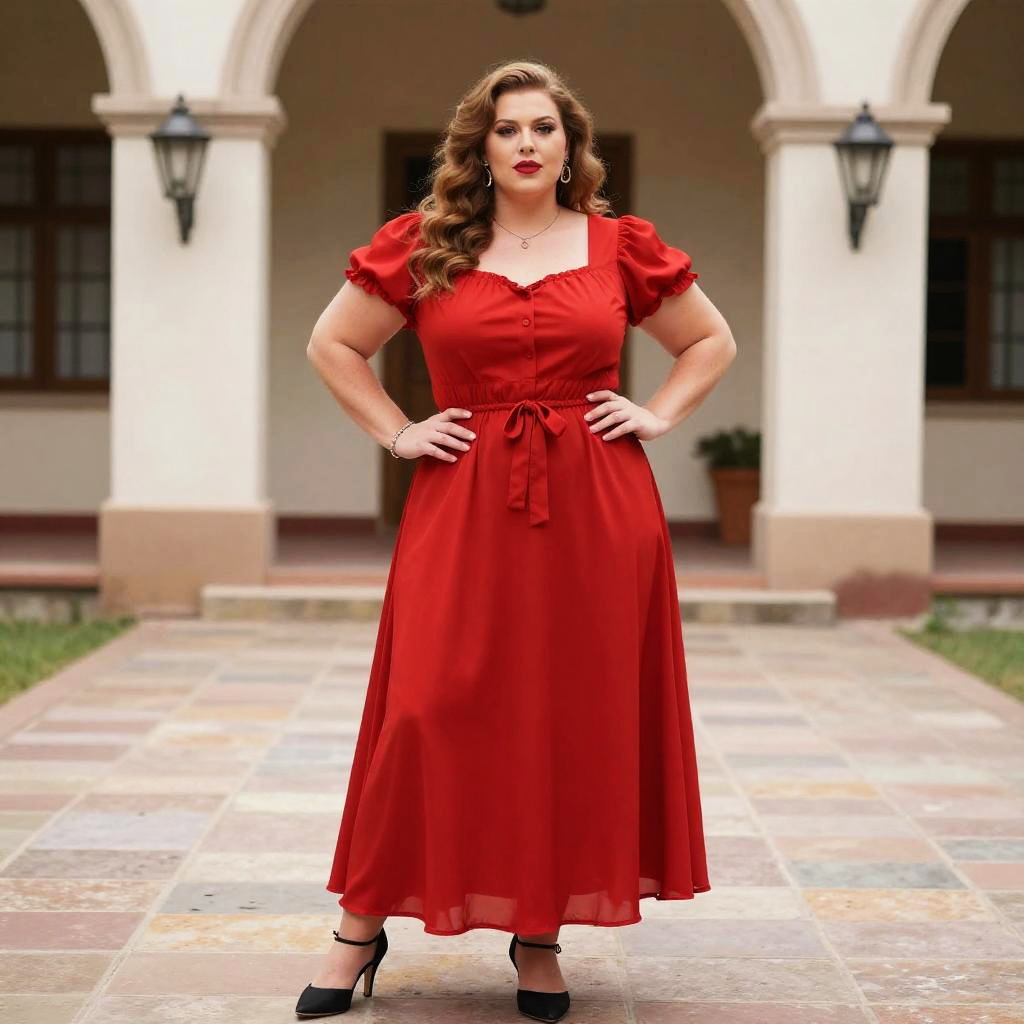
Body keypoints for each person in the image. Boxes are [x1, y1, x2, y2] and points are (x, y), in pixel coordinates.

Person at [296, 59, 736, 1022]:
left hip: (596, 505)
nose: (528, 143)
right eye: (508, 129)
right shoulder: (429, 243)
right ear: (481, 148)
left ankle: (540, 934)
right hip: (463, 500)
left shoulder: (621, 245)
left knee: (567, 716)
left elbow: (710, 341)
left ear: (571, 146)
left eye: (545, 127)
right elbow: (335, 343)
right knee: (427, 706)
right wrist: (397, 430)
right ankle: (359, 924)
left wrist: (655, 413)